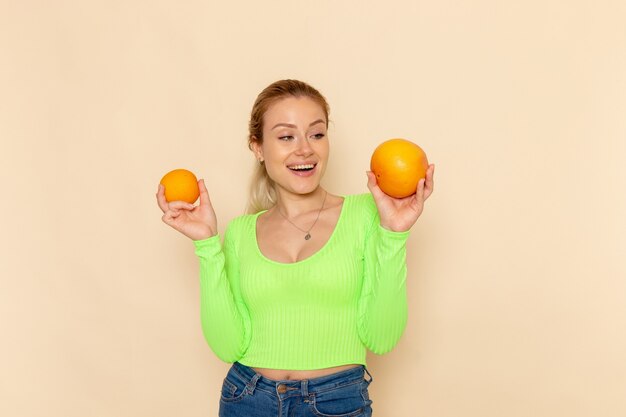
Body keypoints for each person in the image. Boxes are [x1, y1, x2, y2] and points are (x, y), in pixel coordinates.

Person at [156, 79, 435, 417]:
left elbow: (381, 337)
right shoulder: (241, 233)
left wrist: (394, 235)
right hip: (246, 398)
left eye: (316, 134)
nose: (304, 149)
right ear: (258, 148)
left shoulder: (366, 214)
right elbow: (228, 345)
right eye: (286, 136)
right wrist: (206, 245)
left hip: (336, 401)